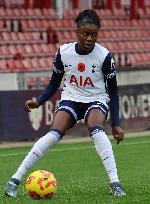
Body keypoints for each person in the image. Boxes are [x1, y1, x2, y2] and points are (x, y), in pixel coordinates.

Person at [5, 9, 126, 197]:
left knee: (96, 129)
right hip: (71, 97)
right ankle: (15, 179)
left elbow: (114, 91)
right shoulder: (64, 52)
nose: (89, 39)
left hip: (96, 99)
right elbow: (54, 83)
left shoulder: (104, 57)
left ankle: (115, 183)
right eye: (85, 34)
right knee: (53, 134)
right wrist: (39, 101)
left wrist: (116, 124)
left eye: (94, 35)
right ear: (76, 31)